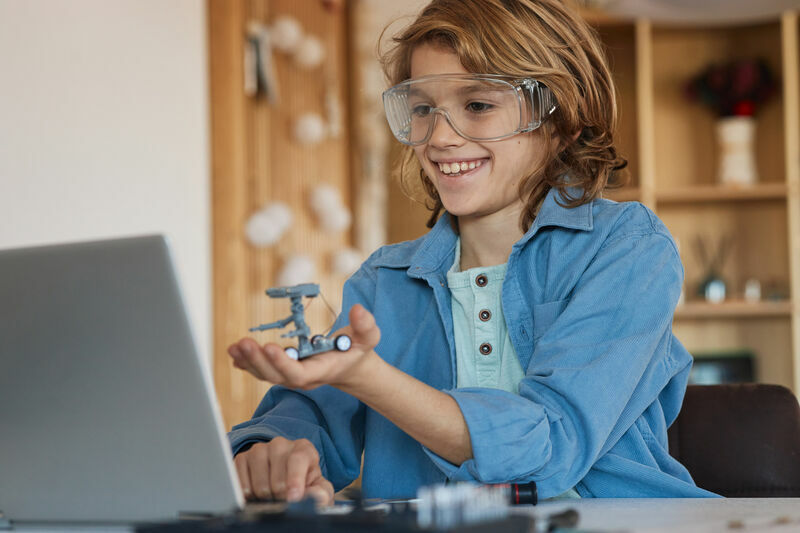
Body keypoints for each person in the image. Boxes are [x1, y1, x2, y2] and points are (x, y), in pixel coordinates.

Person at [226, 0, 718, 505]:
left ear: (562, 117)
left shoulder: (627, 248)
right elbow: (306, 413)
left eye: (478, 105)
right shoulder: (385, 279)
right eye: (421, 109)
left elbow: (549, 447)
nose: (439, 137)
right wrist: (271, 450)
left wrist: (369, 378)